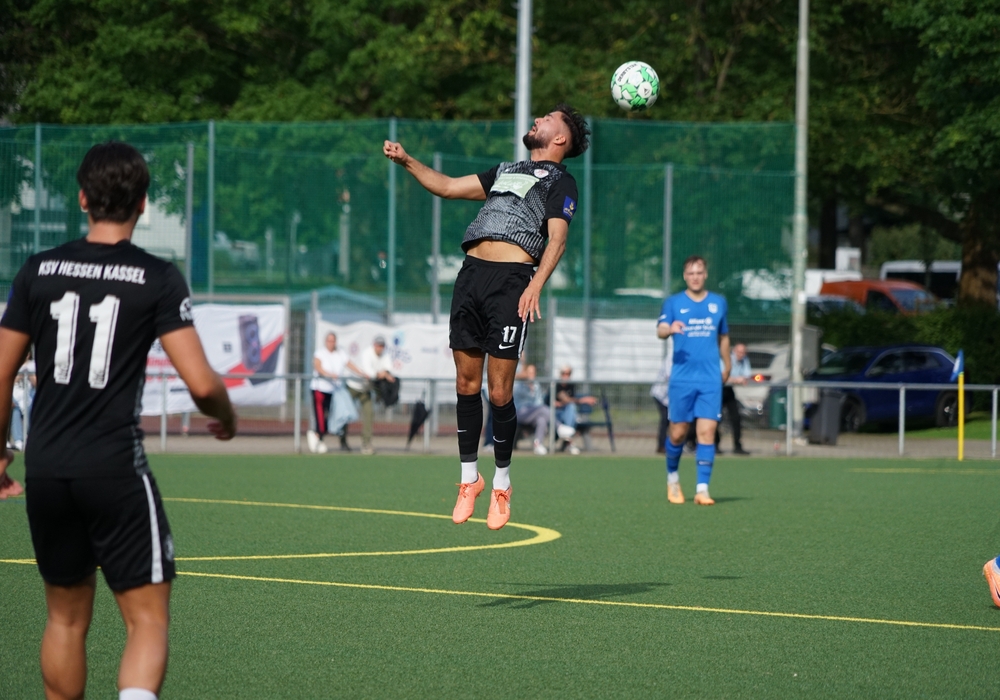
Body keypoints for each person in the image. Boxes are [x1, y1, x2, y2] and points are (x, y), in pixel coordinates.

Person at [0, 141, 237, 700]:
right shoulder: (156, 276)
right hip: (113, 466)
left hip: (47, 466)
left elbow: (2, 371)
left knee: (64, 620)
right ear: (144, 203)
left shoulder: (38, 270)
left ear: (82, 198)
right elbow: (202, 385)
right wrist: (226, 415)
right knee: (147, 619)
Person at [384, 104, 589, 529]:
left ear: (560, 138)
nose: (538, 119)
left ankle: (501, 484)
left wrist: (535, 284)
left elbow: (557, 239)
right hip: (471, 276)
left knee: (499, 392)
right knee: (465, 383)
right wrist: (407, 161)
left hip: (512, 283)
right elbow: (446, 187)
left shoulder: (561, 181)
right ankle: (468, 480)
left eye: (548, 118)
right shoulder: (505, 170)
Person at [656, 255, 731, 506]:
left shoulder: (718, 302)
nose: (695, 277)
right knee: (678, 434)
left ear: (705, 274)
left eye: (699, 273)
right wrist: (669, 329)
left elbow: (723, 337)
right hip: (682, 379)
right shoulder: (673, 303)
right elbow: (660, 330)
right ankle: (672, 478)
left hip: (710, 379)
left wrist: (727, 364)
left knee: (707, 432)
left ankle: (702, 490)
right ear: (684, 276)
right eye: (691, 273)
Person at [308, 332, 362, 454]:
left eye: (333, 341)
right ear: (325, 341)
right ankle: (318, 437)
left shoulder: (340, 353)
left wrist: (362, 373)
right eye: (329, 341)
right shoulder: (320, 353)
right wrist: (329, 375)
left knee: (332, 416)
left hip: (333, 391)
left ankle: (320, 437)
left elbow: (350, 365)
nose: (331, 343)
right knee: (320, 417)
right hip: (320, 389)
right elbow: (318, 367)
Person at [345, 335, 395, 455]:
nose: (380, 348)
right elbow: (369, 373)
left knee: (369, 413)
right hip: (353, 386)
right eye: (378, 345)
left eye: (382, 346)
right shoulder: (367, 353)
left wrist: (384, 374)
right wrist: (382, 374)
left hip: (365, 389)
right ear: (374, 345)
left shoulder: (385, 355)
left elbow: (388, 370)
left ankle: (366, 444)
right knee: (345, 414)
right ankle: (342, 440)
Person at [552, 364, 594, 454]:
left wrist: (565, 402)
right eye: (564, 373)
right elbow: (565, 399)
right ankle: (569, 441)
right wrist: (584, 400)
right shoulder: (557, 385)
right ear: (560, 374)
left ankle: (568, 439)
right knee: (571, 408)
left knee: (571, 408)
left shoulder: (571, 386)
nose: (566, 376)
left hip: (566, 413)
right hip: (555, 415)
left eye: (568, 374)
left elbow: (568, 401)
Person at [722, 343, 751, 455]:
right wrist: (735, 379)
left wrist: (736, 379)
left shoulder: (744, 360)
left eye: (743, 352)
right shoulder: (726, 358)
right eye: (739, 352)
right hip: (718, 390)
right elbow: (722, 376)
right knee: (715, 418)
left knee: (736, 418)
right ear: (733, 351)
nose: (741, 354)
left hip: (729, 390)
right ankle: (714, 445)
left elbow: (746, 375)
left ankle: (737, 446)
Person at [650, 338, 673, 455]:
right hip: (661, 395)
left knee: (672, 419)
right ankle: (661, 446)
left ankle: (673, 444)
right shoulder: (671, 357)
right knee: (665, 418)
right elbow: (670, 376)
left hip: (670, 397)